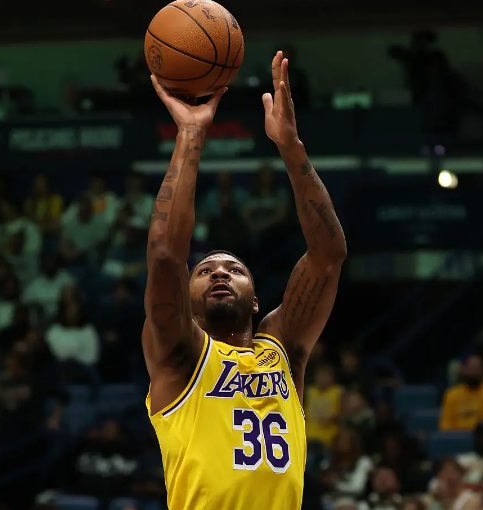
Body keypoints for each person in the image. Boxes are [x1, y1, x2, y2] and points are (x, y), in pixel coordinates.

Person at [143, 51, 347, 510]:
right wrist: (190, 133)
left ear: (256, 301)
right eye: (205, 271)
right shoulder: (180, 355)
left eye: (235, 270)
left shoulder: (282, 348)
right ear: (185, 301)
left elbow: (328, 255)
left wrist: (290, 146)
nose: (219, 272)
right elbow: (164, 256)